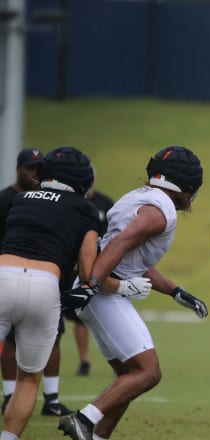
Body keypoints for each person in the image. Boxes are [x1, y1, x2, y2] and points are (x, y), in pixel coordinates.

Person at [57, 146, 209, 440]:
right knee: (148, 373)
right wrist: (92, 285)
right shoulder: (159, 211)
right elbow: (121, 244)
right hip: (104, 292)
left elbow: (134, 261)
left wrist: (176, 292)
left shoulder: (136, 197)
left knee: (129, 377)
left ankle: (97, 436)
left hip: (101, 288)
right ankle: (85, 420)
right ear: (185, 186)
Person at [0, 146, 137, 440]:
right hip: (45, 286)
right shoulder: (85, 208)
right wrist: (125, 286)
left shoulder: (19, 198)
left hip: (3, 278)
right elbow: (89, 274)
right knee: (28, 379)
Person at [0, 148, 74, 417]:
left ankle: (51, 398)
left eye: (38, 168)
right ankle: (9, 394)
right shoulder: (5, 199)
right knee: (10, 341)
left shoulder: (50, 201)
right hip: (9, 275)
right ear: (18, 168)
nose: (34, 173)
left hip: (43, 277)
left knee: (54, 336)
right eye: (29, 167)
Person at [64, 171, 115, 378]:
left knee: (110, 315)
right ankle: (84, 360)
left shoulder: (106, 202)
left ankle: (119, 360)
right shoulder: (73, 204)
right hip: (75, 265)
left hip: (103, 264)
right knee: (78, 317)